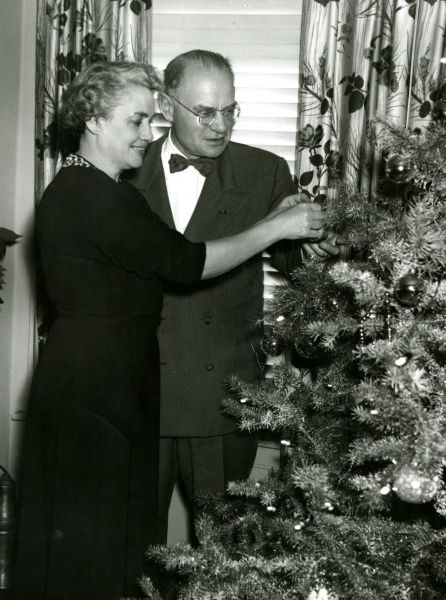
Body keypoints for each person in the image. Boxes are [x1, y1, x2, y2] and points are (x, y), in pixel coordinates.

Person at [14, 61, 325, 600]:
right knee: (105, 556)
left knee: (145, 550)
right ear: (93, 119)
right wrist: (274, 225)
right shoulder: (97, 191)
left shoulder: (101, 185)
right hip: (103, 391)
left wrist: (306, 227)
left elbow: (305, 261)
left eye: (229, 110)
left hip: (162, 391)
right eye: (137, 121)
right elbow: (182, 263)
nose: (146, 134)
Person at [127, 49, 341, 545]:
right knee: (132, 550)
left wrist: (319, 242)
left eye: (229, 110)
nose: (220, 125)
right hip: (137, 388)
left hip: (223, 395)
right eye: (205, 111)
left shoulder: (263, 171)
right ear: (165, 104)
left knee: (224, 553)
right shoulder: (125, 165)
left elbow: (296, 263)